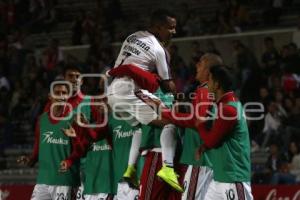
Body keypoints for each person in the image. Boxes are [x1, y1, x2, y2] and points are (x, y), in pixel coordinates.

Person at [107, 9, 182, 192]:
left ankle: (130, 170)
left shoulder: (132, 37)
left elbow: (124, 66)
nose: (174, 32)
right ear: (157, 27)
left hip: (113, 93)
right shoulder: (158, 49)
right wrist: (178, 93)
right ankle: (168, 168)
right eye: (170, 28)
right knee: (169, 120)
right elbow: (167, 85)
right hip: (128, 91)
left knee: (138, 127)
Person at [196, 65, 253, 199]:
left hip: (234, 178)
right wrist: (204, 147)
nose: (207, 83)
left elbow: (212, 141)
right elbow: (218, 136)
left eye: (209, 80)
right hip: (220, 177)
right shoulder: (226, 105)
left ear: (217, 85)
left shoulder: (228, 109)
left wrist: (200, 125)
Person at [17, 82, 81, 200]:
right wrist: (29, 160)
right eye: (57, 93)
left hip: (65, 181)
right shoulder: (41, 120)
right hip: (43, 181)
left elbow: (81, 150)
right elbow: (37, 150)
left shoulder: (74, 119)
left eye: (64, 93)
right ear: (50, 96)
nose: (61, 96)